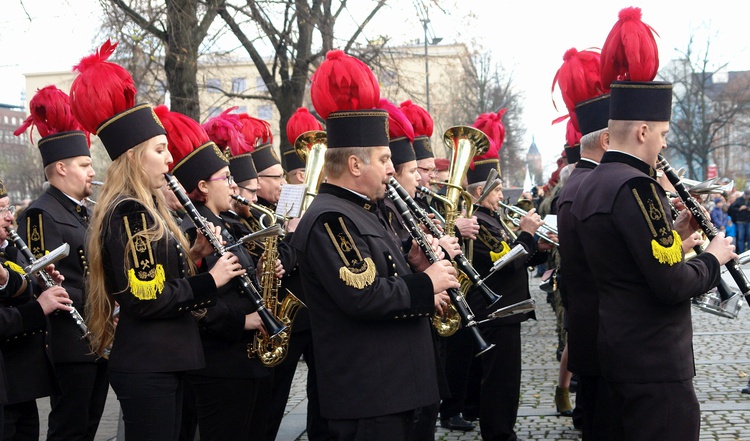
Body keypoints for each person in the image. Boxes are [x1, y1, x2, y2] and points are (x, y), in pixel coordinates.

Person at [72, 40, 245, 441]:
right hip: (151, 365)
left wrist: (197, 253)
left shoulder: (141, 208)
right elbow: (147, 297)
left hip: (165, 361)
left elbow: (157, 276)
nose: (170, 161)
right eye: (161, 150)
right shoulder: (129, 212)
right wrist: (212, 278)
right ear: (135, 156)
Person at [290, 49, 456, 441]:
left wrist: (415, 265)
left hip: (393, 391)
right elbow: (363, 296)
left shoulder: (363, 210)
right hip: (370, 398)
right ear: (354, 165)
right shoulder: (331, 218)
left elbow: (382, 276)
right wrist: (427, 282)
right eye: (383, 159)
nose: (389, 169)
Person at [570, 71, 736, 441]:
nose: (664, 144)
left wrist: (676, 233)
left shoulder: (592, 182)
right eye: (662, 135)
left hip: (617, 352)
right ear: (643, 132)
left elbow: (628, 260)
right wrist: (713, 256)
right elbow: (671, 283)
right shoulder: (638, 188)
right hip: (655, 363)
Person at [164, 106, 272, 441]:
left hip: (241, 357)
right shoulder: (190, 228)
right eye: (225, 178)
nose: (232, 185)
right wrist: (243, 321)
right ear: (203, 187)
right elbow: (196, 300)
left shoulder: (223, 223)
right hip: (219, 361)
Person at [15, 84, 109, 441]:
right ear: (60, 168)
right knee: (70, 429)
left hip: (97, 334)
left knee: (89, 425)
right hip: (70, 341)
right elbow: (45, 280)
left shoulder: (84, 210)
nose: (91, 171)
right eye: (85, 164)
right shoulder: (40, 213)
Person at [464, 113, 552, 441]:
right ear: (479, 190)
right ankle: (499, 434)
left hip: (508, 308)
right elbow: (504, 261)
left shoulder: (493, 219)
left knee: (507, 380)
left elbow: (518, 256)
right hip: (496, 311)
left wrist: (538, 247)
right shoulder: (479, 222)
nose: (501, 196)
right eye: (496, 190)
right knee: (500, 382)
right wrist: (527, 235)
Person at [0, 177, 72, 440]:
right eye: (1, 210)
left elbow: (18, 295)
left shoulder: (12, 251)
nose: (9, 218)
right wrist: (39, 308)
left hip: (22, 385)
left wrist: (42, 287)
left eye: (8, 208)